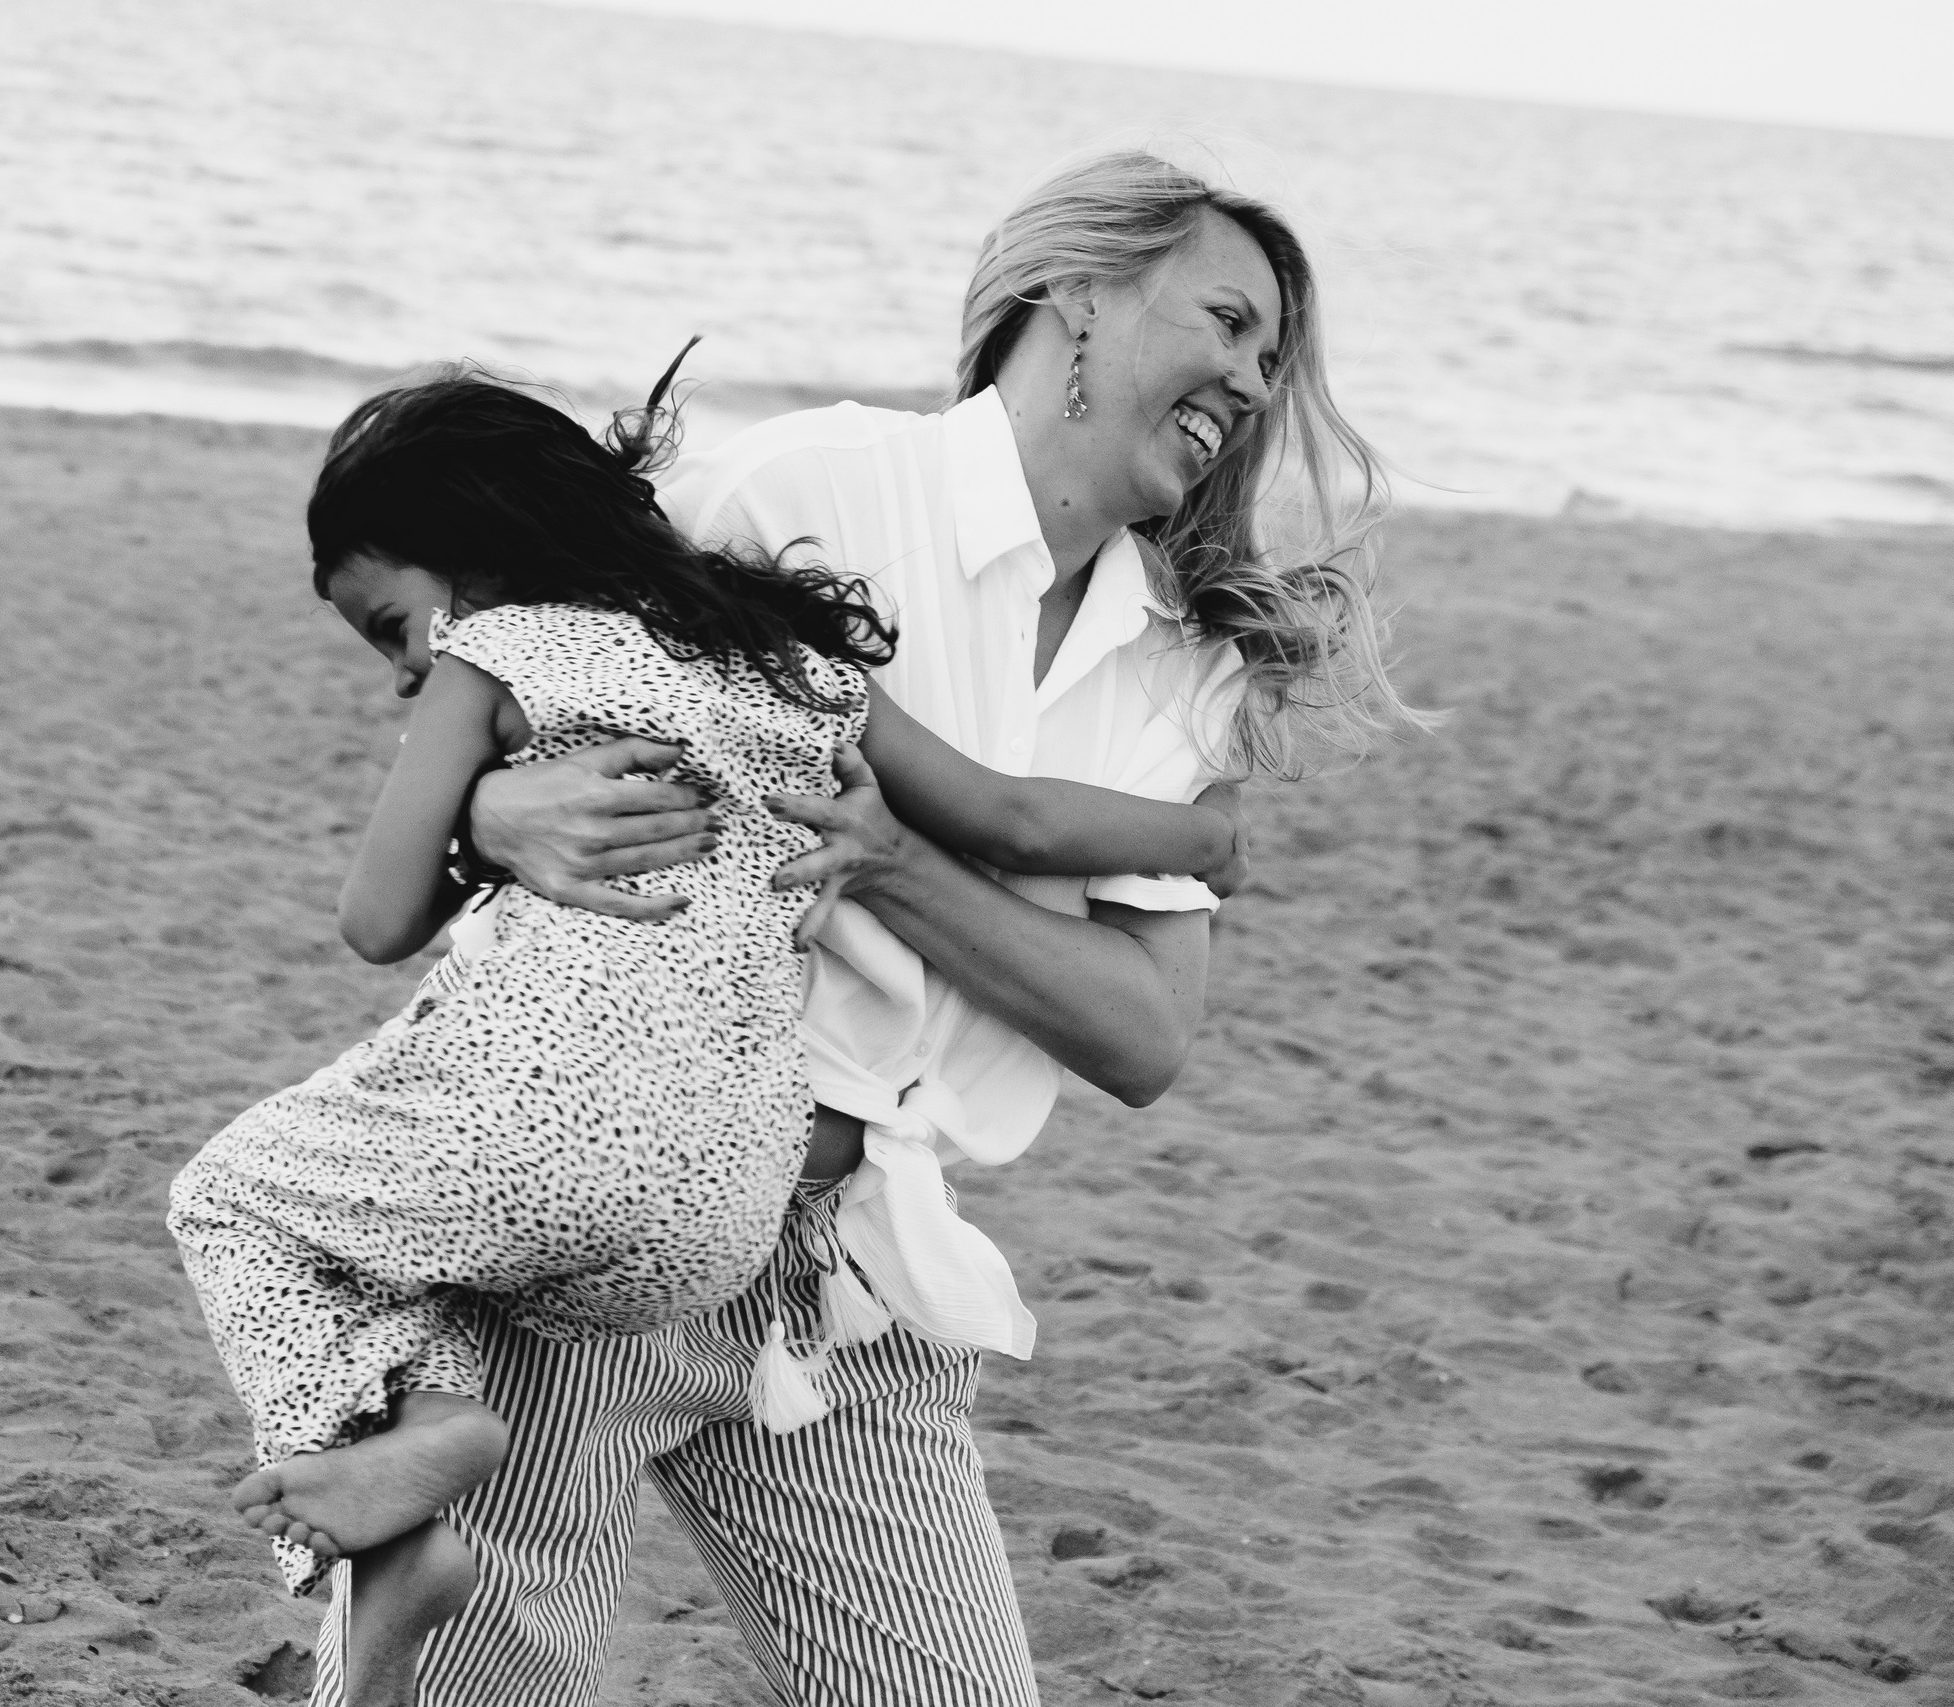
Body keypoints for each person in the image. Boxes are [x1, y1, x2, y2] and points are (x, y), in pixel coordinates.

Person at [307, 149, 1430, 1707]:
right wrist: (490, 816)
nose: (1251, 377)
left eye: (1270, 357)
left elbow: (1145, 1035)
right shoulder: (808, 490)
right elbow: (504, 640)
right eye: (1228, 320)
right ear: (1077, 300)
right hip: (592, 1199)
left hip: (853, 1275)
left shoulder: (1187, 670)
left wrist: (899, 868)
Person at [169, 359, 1255, 1703]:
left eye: (395, 626)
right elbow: (1010, 816)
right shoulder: (798, 646)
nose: (403, 669)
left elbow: (373, 919)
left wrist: (464, 810)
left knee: (235, 1202)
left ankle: (410, 1434)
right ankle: (417, 1473)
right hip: (732, 1190)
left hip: (667, 1214)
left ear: (464, 555)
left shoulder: (494, 656)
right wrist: (1198, 838)